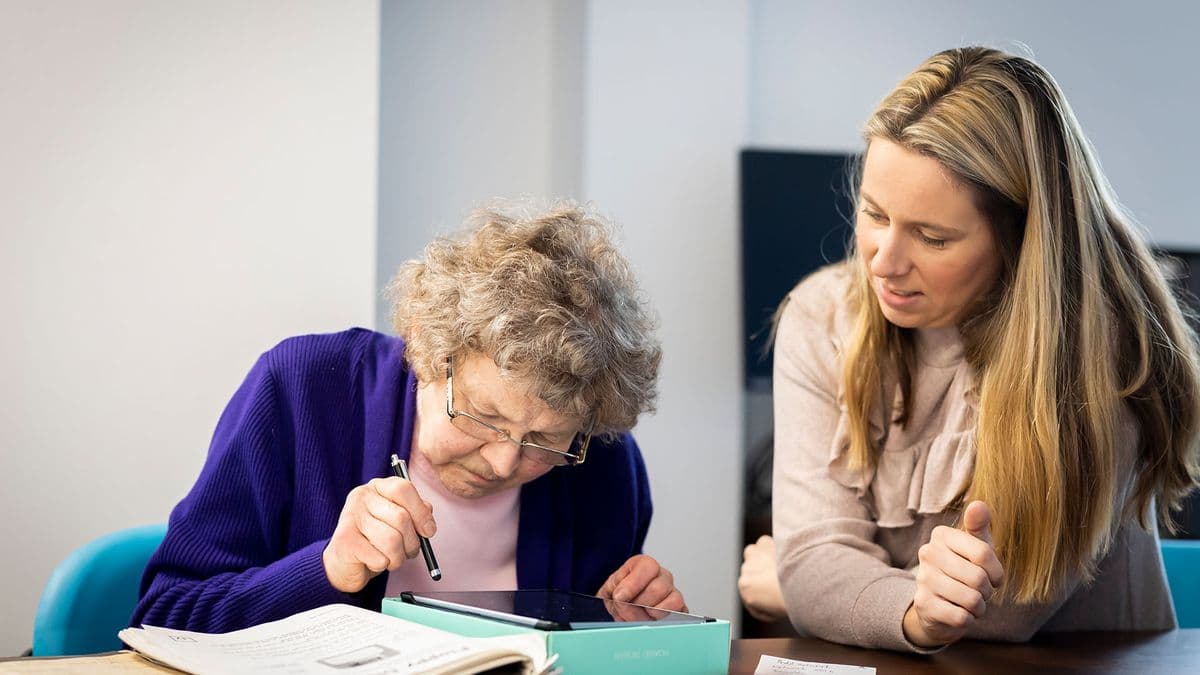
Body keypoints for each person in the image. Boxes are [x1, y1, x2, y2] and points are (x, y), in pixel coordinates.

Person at [737, 46, 1200, 652]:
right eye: (874, 214)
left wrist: (803, 588)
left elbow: (1004, 612)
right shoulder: (820, 316)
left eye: (933, 237)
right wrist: (845, 591)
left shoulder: (1097, 348)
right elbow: (815, 562)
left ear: (1021, 241)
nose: (884, 262)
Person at [132, 198, 687, 633]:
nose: (503, 461)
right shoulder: (302, 389)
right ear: (424, 348)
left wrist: (632, 626)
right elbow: (165, 617)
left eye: (543, 439)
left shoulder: (599, 460)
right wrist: (326, 570)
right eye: (483, 415)